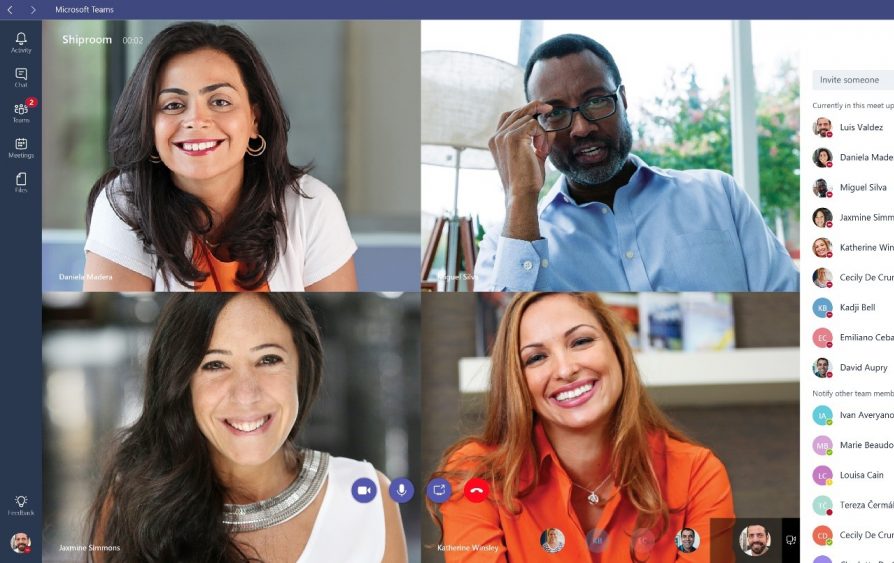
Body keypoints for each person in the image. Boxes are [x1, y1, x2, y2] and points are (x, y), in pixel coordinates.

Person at [87, 294, 405, 562]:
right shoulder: (133, 503)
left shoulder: (370, 497)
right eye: (215, 364)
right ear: (182, 383)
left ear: (302, 367)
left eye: (268, 359)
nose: (246, 393)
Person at [474, 34, 798, 292]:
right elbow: (513, 343)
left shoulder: (718, 194)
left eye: (596, 101)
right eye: (555, 112)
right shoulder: (505, 245)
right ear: (536, 125)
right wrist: (520, 198)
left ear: (624, 100)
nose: (582, 128)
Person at [431, 292, 735, 562]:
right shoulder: (474, 476)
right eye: (536, 358)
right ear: (518, 384)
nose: (565, 369)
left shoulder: (699, 475)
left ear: (617, 349)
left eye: (581, 341)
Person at [84, 22, 357, 291]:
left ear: (254, 120)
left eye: (220, 101)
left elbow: (325, 329)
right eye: (174, 105)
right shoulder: (123, 204)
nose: (196, 120)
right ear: (150, 126)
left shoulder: (312, 206)